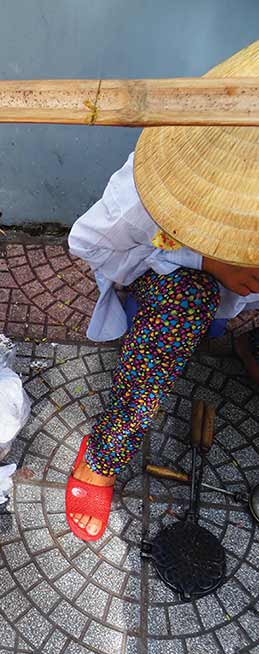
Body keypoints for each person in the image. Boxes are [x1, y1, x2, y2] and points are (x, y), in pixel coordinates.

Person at [65, 40, 259, 542]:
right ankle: (104, 453)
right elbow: (87, 243)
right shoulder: (155, 189)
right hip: (166, 278)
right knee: (184, 306)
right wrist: (208, 260)